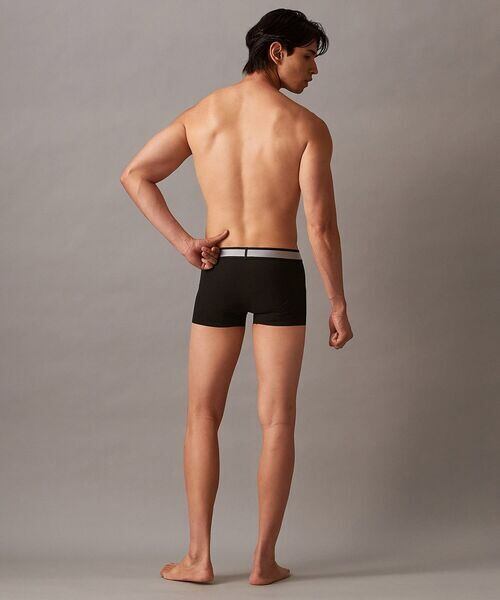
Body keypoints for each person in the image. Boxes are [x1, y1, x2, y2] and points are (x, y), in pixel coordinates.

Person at [120, 8, 353, 586]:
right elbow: (320, 227)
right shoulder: (307, 127)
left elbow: (136, 174)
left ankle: (198, 559)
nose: (314, 70)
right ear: (277, 52)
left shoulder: (204, 113)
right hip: (278, 272)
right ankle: (263, 561)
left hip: (220, 272)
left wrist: (186, 243)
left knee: (202, 415)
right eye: (307, 56)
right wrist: (338, 302)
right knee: (277, 420)